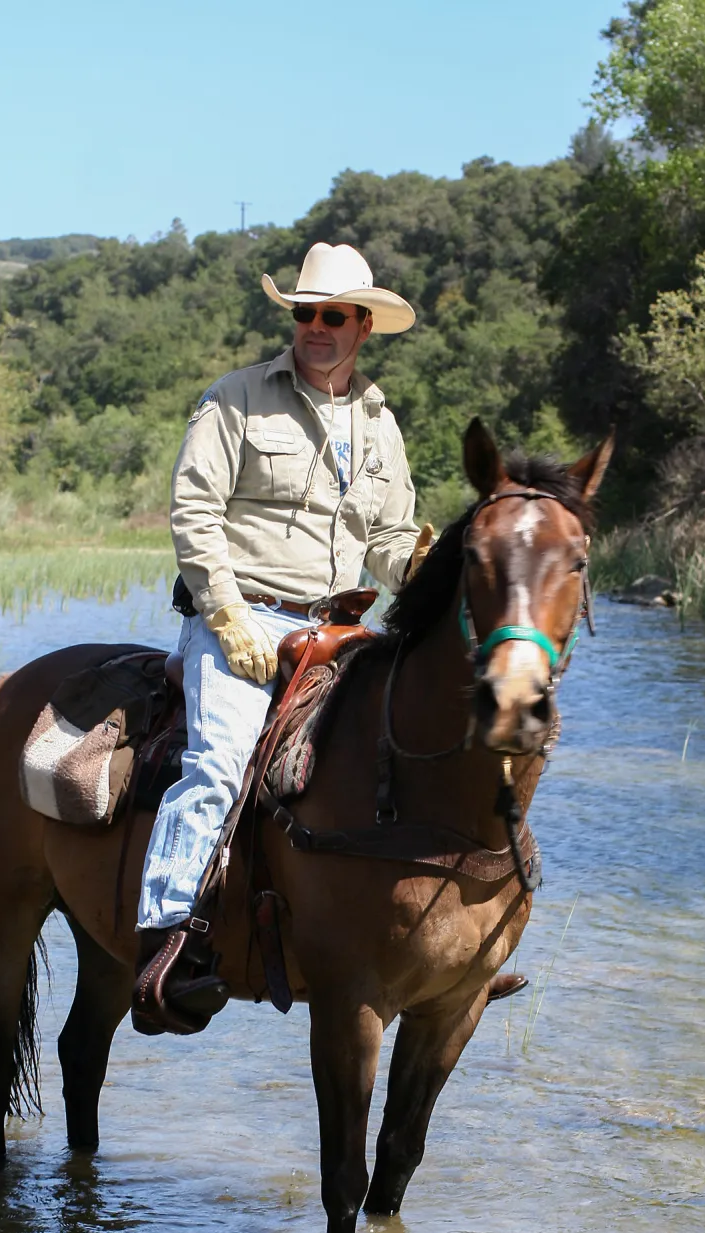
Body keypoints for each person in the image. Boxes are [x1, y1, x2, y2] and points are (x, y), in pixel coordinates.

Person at [132, 242, 434, 1037]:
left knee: (407, 755)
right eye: (305, 313)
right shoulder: (234, 399)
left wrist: (434, 570)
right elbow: (193, 514)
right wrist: (225, 616)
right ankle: (166, 944)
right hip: (246, 615)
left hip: (339, 628)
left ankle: (431, 948)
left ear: (362, 325)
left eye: (333, 315)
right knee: (220, 762)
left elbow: (394, 538)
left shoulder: (377, 421)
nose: (317, 328)